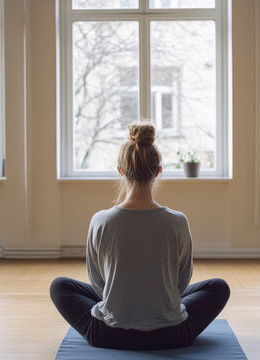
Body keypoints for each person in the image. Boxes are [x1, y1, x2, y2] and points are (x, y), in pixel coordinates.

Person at [50, 123, 230, 350]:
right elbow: (181, 282)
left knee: (59, 286)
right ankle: (153, 306)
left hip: (107, 335)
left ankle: (131, 306)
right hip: (172, 335)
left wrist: (123, 297)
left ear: (121, 171)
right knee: (218, 287)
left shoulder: (100, 220)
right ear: (158, 171)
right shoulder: (178, 221)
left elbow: (98, 285)